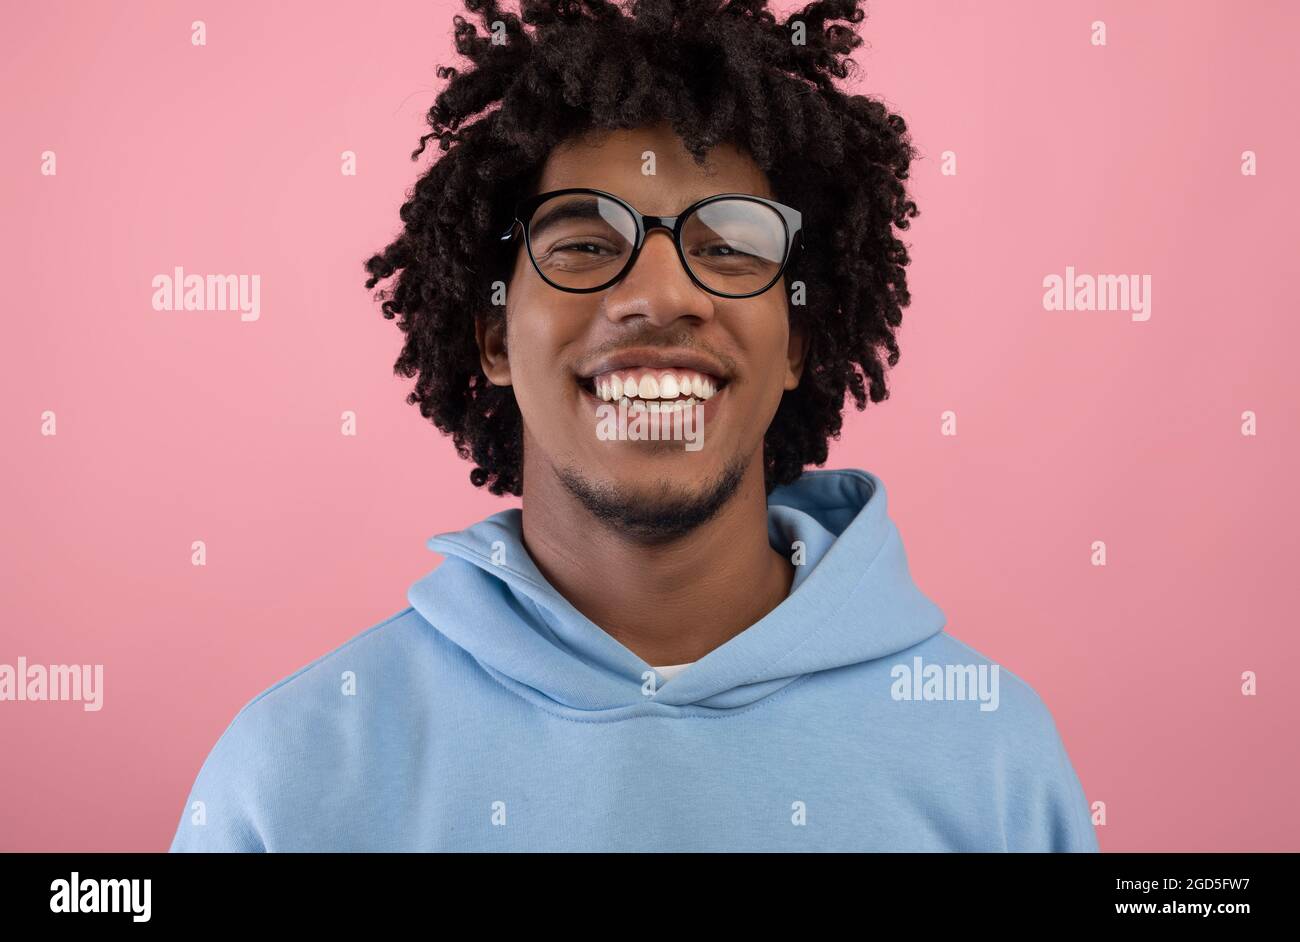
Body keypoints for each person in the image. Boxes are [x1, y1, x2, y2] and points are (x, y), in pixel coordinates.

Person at [169, 0, 1097, 852]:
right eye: (583, 244)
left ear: (796, 343)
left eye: (729, 247)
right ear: (492, 332)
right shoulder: (293, 774)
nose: (658, 295)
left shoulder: (992, 754)